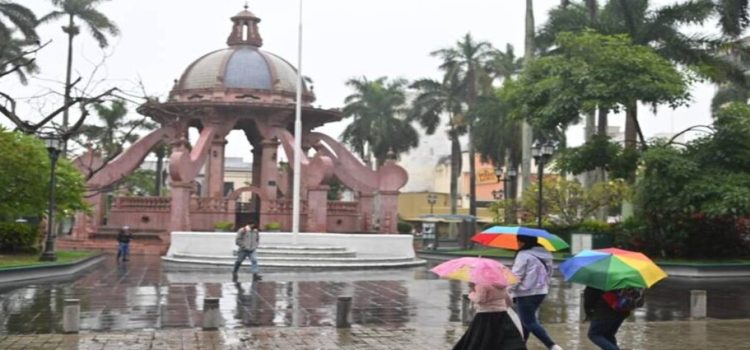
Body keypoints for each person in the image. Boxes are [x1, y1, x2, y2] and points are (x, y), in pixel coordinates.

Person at [510, 235, 563, 350]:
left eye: (518, 241)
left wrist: (507, 290)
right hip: (541, 291)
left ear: (523, 242)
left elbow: (516, 276)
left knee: (529, 321)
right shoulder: (547, 254)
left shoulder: (523, 255)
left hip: (526, 292)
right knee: (525, 320)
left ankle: (552, 345)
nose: (517, 244)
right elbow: (550, 272)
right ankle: (519, 345)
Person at [453, 282, 527, 350]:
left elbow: (480, 299)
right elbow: (509, 302)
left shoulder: (482, 284)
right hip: (502, 315)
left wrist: (471, 294)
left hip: (484, 316)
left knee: (481, 338)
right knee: (504, 338)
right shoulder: (502, 285)